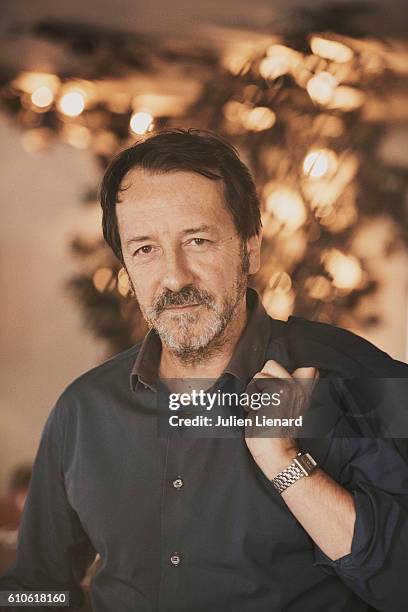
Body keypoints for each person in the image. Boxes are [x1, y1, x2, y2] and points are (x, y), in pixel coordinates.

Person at [1, 128, 408, 612]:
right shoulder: (85, 410)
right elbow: (34, 588)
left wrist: (286, 465)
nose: (174, 276)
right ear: (126, 266)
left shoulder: (357, 378)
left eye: (197, 240)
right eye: (145, 249)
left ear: (249, 248)